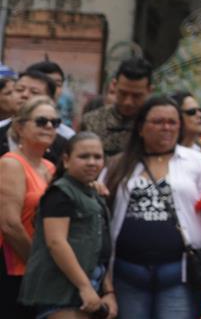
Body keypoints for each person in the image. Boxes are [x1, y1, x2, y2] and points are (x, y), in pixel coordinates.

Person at [104, 96, 201, 319]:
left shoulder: (197, 162)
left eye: (173, 122)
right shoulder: (118, 165)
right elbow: (101, 214)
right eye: (158, 122)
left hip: (178, 272)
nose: (167, 127)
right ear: (140, 128)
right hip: (127, 272)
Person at [18, 132, 116, 319]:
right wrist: (85, 287)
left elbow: (100, 248)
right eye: (83, 156)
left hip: (90, 285)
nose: (92, 162)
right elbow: (56, 243)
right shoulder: (60, 193)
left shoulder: (93, 193)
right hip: (61, 290)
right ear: (66, 160)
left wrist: (108, 291)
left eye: (97, 157)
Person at [0, 96, 59, 319]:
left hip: (40, 268)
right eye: (41, 121)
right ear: (20, 127)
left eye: (55, 122)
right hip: (14, 268)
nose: (49, 126)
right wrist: (39, 265)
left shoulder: (50, 166)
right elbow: (9, 225)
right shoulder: (11, 163)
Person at [81, 58, 153, 157]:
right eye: (123, 93)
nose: (128, 102)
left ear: (149, 91)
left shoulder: (157, 124)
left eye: (136, 96)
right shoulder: (91, 121)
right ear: (114, 85)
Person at [0, 70, 68, 163]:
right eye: (19, 90)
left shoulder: (62, 145)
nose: (24, 95)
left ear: (50, 100)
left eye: (34, 92)